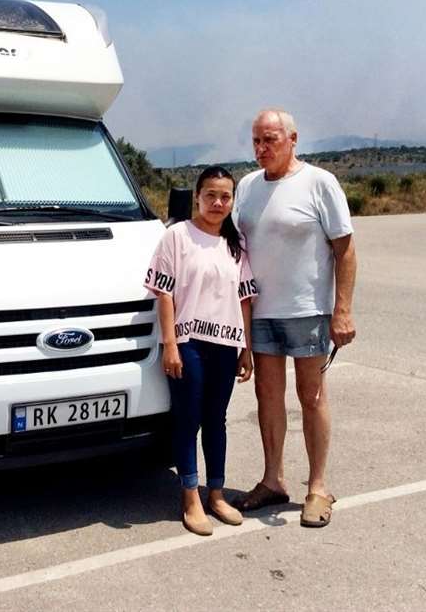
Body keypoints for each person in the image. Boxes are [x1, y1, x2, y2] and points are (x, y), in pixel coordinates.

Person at [232, 108, 357, 528]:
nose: (261, 148)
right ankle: (273, 479)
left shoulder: (319, 182)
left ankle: (318, 488)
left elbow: (345, 250)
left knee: (312, 396)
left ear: (293, 139)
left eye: (270, 139)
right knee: (267, 396)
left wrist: (342, 310)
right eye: (256, 140)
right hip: (261, 311)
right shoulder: (248, 187)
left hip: (308, 310)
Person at [145, 166, 258, 536]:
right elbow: (164, 294)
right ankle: (190, 497)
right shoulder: (177, 236)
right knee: (188, 419)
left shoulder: (235, 244)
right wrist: (170, 345)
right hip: (188, 343)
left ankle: (217, 494)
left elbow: (244, 300)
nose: (218, 203)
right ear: (197, 196)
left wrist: (246, 349)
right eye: (210, 195)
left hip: (225, 345)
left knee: (216, 419)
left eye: (225, 196)